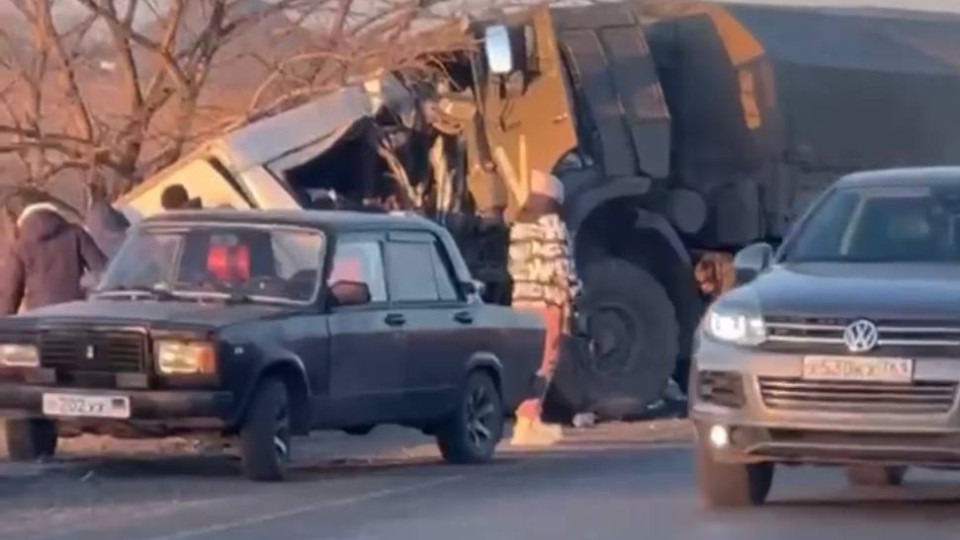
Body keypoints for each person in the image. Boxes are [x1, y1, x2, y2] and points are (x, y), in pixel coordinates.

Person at [508, 169, 581, 446]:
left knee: (527, 362)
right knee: (545, 362)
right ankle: (529, 422)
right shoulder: (552, 224)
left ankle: (524, 418)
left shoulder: (519, 224)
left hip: (522, 300)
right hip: (548, 301)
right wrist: (574, 292)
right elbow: (559, 266)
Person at [0, 197, 107, 314]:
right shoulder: (76, 234)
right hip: (76, 313)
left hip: (39, 318)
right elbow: (103, 270)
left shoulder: (20, 247)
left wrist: (5, 324)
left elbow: (9, 294)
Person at [85, 182, 130, 259]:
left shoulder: (88, 218)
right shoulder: (103, 208)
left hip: (109, 255)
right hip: (121, 246)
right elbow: (124, 222)